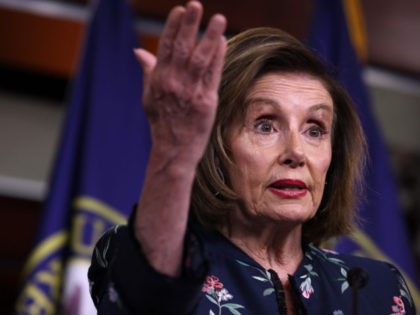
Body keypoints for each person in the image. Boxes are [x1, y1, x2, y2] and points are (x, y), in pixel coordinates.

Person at [88, 1, 416, 314]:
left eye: (315, 130)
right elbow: (147, 301)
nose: (296, 153)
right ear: (216, 146)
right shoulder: (157, 260)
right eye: (265, 125)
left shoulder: (378, 288)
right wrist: (175, 151)